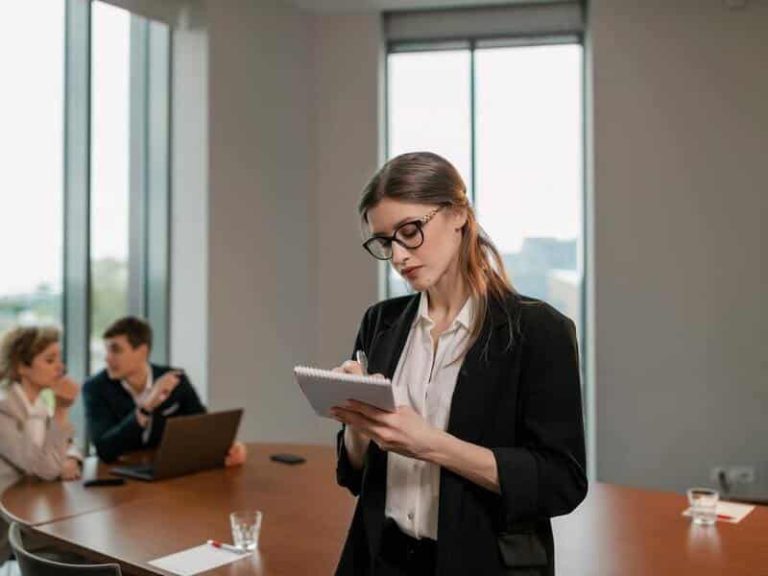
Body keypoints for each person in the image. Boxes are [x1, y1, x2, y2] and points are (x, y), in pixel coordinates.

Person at [330, 152, 587, 576]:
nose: (398, 256)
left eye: (410, 232)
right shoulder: (380, 322)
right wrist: (359, 426)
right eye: (384, 242)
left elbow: (561, 482)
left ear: (458, 215)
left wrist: (428, 443)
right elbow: (356, 477)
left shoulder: (540, 331)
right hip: (379, 560)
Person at [83, 316, 246, 466]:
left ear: (142, 352)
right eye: (107, 351)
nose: (107, 358)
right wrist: (146, 407)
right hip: (119, 477)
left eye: (115, 350)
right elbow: (104, 449)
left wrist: (228, 447)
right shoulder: (95, 388)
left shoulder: (175, 380)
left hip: (166, 471)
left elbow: (201, 427)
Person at [0, 326, 82, 567]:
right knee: (79, 547)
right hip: (6, 519)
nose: (61, 367)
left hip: (28, 506)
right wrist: (62, 410)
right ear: (22, 367)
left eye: (59, 358)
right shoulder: (4, 409)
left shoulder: (36, 405)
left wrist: (71, 460)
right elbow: (44, 468)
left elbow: (69, 445)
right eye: (50, 360)